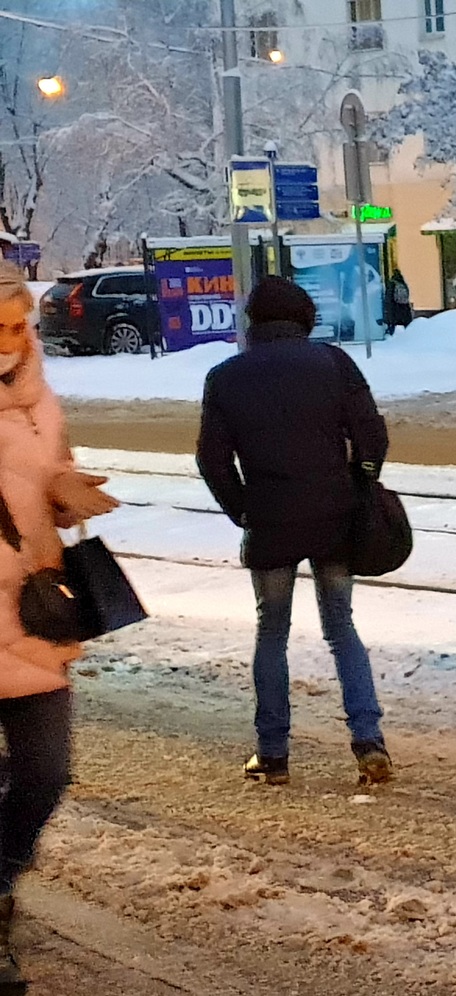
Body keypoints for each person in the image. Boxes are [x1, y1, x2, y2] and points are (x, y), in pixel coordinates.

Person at [196, 277, 393, 789]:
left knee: (272, 634)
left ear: (253, 322)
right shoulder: (333, 363)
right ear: (304, 317)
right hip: (334, 519)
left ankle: (273, 754)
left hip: (271, 523)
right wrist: (360, 482)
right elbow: (372, 434)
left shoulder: (225, 377)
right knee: (341, 628)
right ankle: (369, 742)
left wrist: (245, 510)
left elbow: (212, 461)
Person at [0, 261, 119, 991]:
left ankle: (2, 878)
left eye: (19, 325)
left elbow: (49, 477)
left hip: (35, 615)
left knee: (46, 774)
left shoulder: (41, 401)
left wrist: (65, 489)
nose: (10, 340)